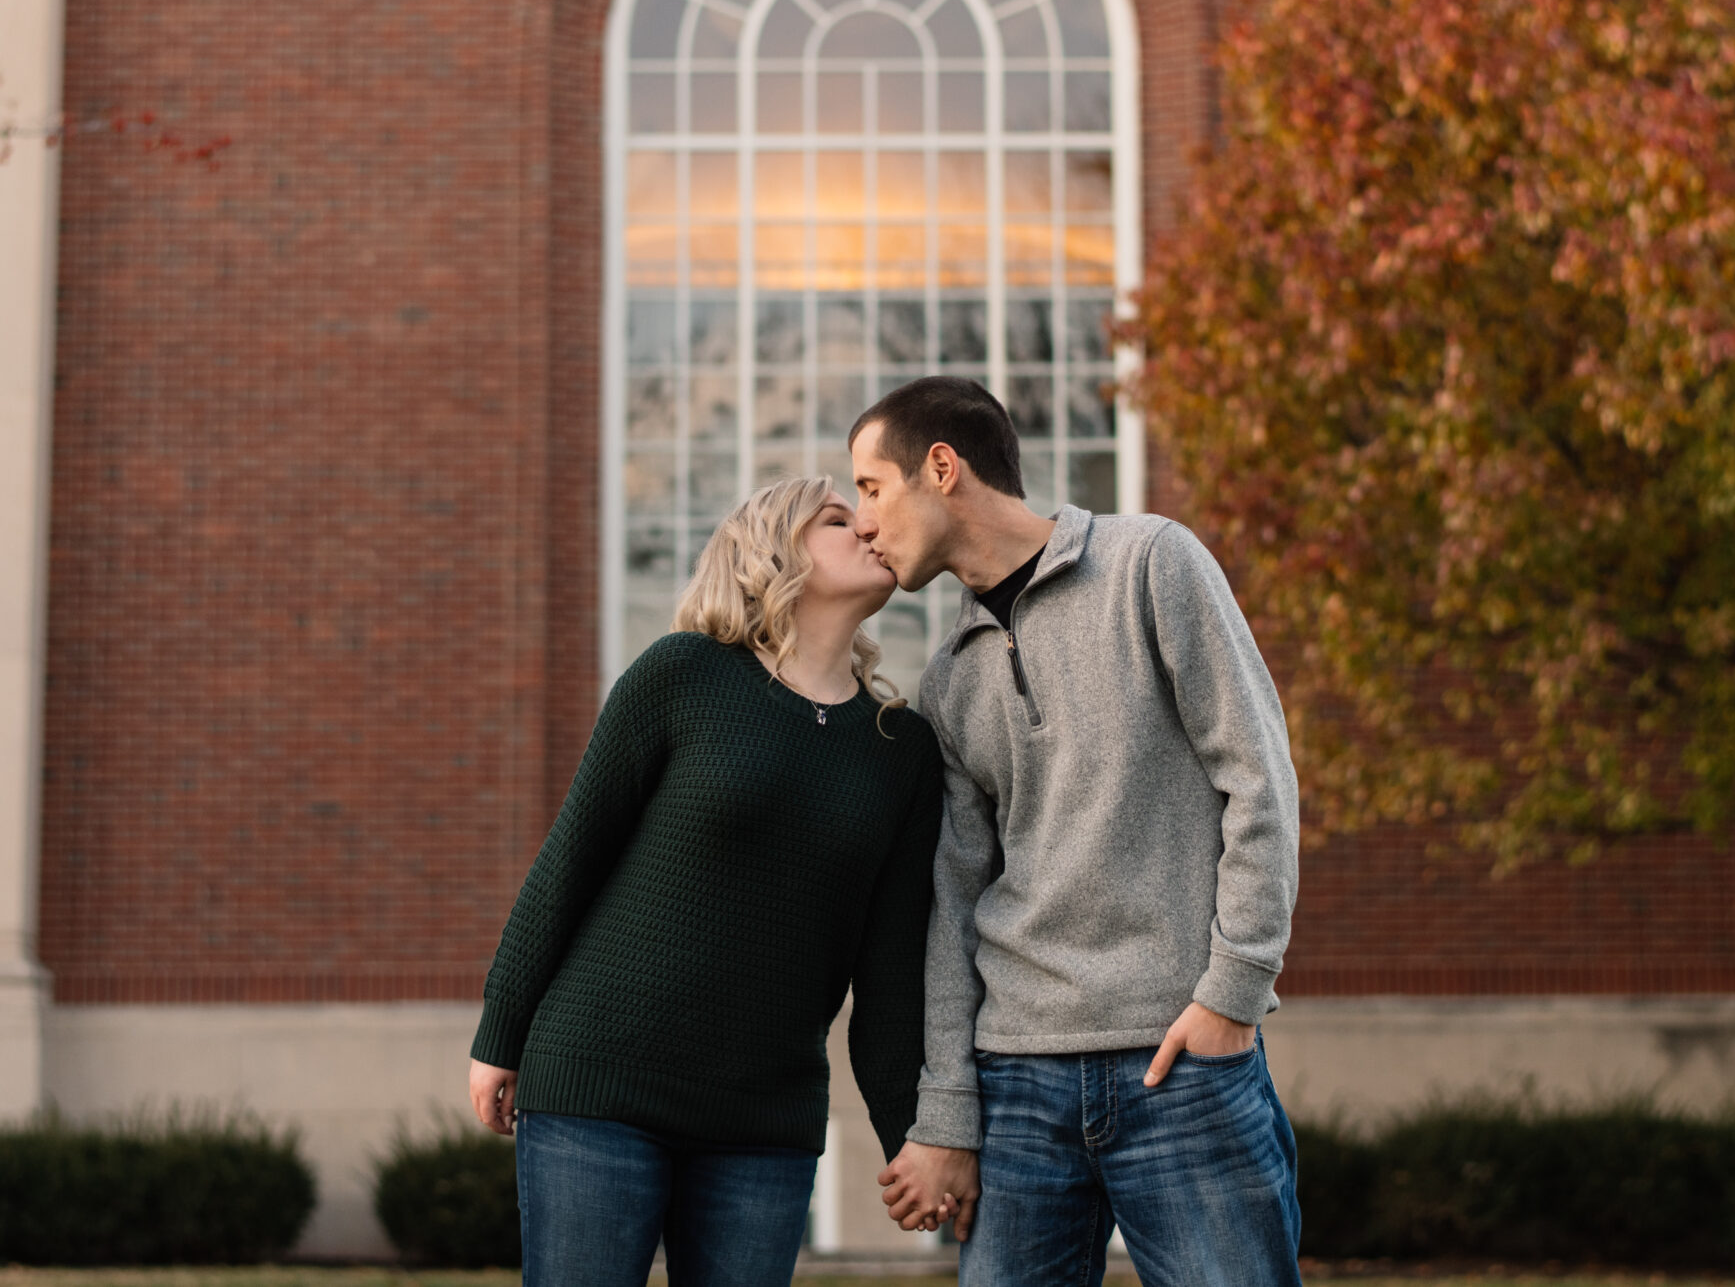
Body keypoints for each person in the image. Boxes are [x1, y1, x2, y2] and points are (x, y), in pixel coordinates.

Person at [853, 376, 1305, 1283]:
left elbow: (1259, 779)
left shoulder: (1151, 563)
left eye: (870, 487)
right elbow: (954, 904)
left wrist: (1231, 995)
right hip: (1018, 1081)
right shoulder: (948, 681)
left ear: (941, 467)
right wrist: (948, 1110)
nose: (862, 522)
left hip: (1177, 1059)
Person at [465, 475, 945, 1287]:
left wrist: (914, 1134)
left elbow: (891, 976)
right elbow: (571, 859)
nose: (867, 527)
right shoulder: (683, 674)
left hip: (764, 1123)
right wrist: (500, 1031)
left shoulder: (902, 750)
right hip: (600, 1088)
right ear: (771, 550)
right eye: (837, 518)